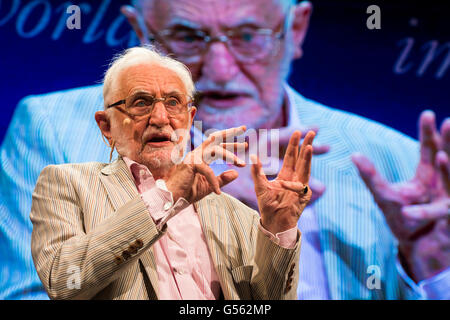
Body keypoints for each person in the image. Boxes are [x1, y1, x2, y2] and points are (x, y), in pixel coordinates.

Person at [0, 0, 448, 299]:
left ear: (296, 28)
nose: (217, 69)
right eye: (187, 37)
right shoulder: (52, 130)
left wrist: (434, 273)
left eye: (249, 36)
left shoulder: (396, 162)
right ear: (140, 30)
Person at [30, 46, 313, 300]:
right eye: (141, 102)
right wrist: (168, 193)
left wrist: (279, 229)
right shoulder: (67, 183)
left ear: (189, 120)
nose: (161, 118)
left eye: (173, 102)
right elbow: (62, 281)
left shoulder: (235, 212)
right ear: (106, 126)